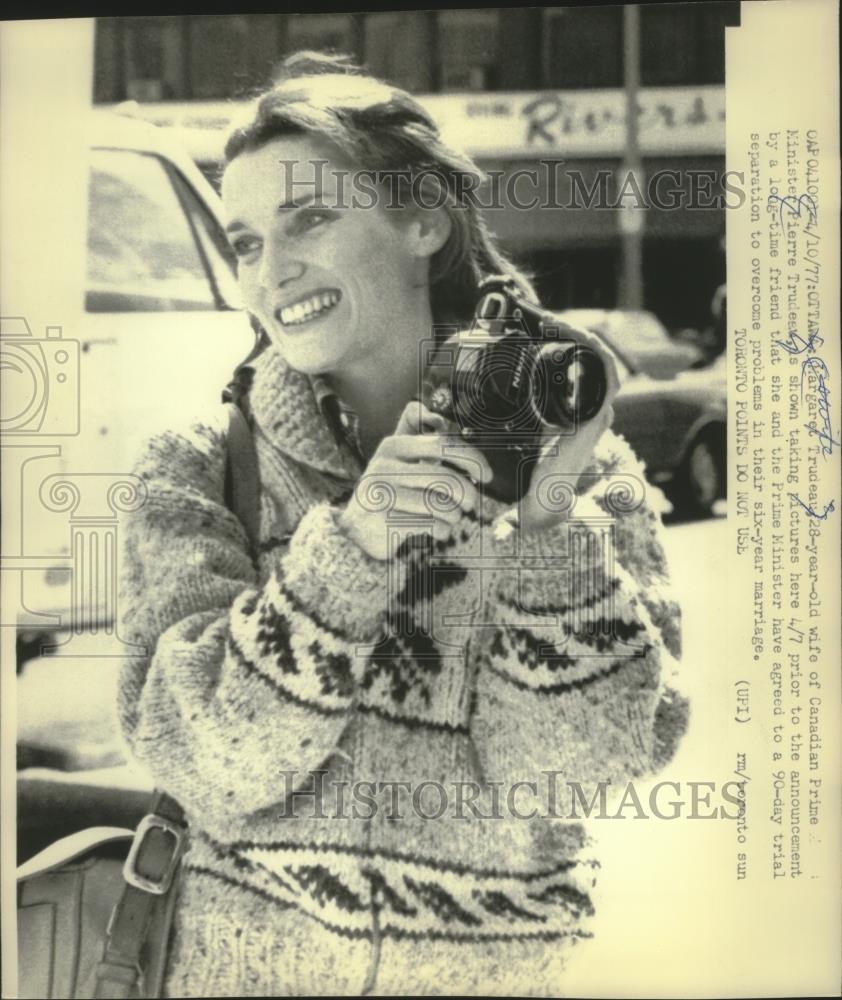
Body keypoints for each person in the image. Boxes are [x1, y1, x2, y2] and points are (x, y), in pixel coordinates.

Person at [118, 52, 687, 997]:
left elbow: (571, 780)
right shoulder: (198, 469)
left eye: (309, 219)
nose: (274, 269)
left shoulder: (585, 471)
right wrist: (353, 550)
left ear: (423, 220)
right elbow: (204, 759)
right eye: (247, 242)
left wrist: (546, 527)